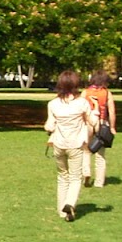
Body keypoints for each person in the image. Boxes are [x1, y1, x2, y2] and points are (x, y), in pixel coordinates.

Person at [44, 70, 98, 222]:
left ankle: (62, 211)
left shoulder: (53, 104)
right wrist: (95, 108)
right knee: (75, 177)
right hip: (76, 145)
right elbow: (93, 122)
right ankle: (69, 203)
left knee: (62, 177)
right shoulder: (82, 103)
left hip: (59, 144)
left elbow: (49, 126)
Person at [81, 69, 117, 188]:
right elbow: (111, 111)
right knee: (100, 154)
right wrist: (112, 127)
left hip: (88, 122)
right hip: (101, 123)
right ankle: (99, 182)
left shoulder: (85, 92)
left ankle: (86, 172)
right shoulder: (107, 93)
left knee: (86, 150)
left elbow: (80, 109)